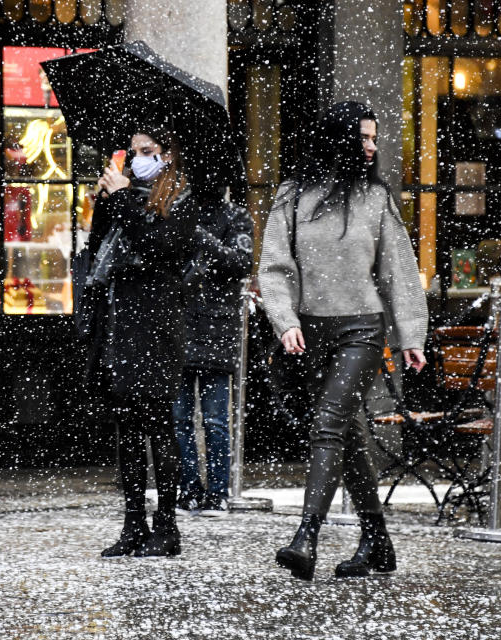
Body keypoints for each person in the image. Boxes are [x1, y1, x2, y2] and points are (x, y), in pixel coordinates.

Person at [258, 101, 428, 580]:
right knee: (348, 434)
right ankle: (378, 541)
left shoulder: (376, 198)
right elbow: (274, 266)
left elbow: (398, 270)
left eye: (375, 138)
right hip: (309, 332)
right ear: (339, 139)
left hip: (362, 329)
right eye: (365, 138)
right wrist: (285, 319)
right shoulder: (293, 195)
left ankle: (305, 536)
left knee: (329, 424)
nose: (373, 148)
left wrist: (411, 332)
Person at [86, 127, 198, 557]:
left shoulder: (182, 196)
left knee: (156, 422)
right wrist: (105, 203)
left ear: (169, 155)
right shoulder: (127, 194)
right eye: (132, 152)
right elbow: (99, 249)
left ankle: (165, 526)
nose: (136, 160)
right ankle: (133, 523)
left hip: (159, 321)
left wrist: (125, 200)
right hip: (121, 320)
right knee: (127, 426)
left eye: (147, 151)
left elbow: (162, 246)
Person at [172, 190, 253, 517]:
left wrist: (202, 240)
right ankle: (189, 488)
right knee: (181, 420)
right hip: (182, 327)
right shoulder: (179, 212)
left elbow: (241, 262)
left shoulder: (235, 217)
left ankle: (216, 492)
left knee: (215, 421)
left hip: (216, 330)